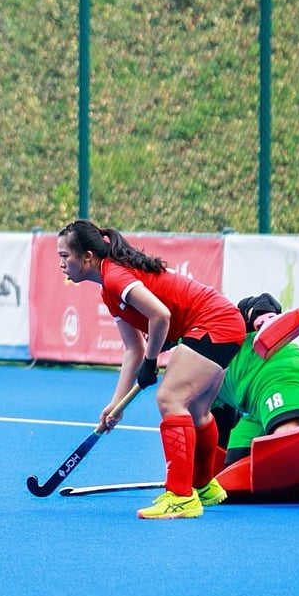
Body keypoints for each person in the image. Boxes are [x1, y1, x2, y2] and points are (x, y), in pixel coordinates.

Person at [57, 219, 245, 519]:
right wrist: (116, 405)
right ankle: (204, 486)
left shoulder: (116, 277)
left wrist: (151, 360)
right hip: (222, 321)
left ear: (87, 258)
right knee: (196, 410)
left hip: (213, 323)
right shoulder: (108, 290)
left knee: (169, 399)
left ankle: (181, 497)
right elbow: (133, 348)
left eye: (65, 256)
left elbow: (160, 315)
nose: (61, 264)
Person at [213, 292, 299, 464]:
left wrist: (261, 315)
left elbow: (262, 303)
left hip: (282, 378)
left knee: (286, 438)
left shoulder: (219, 325)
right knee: (235, 470)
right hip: (254, 407)